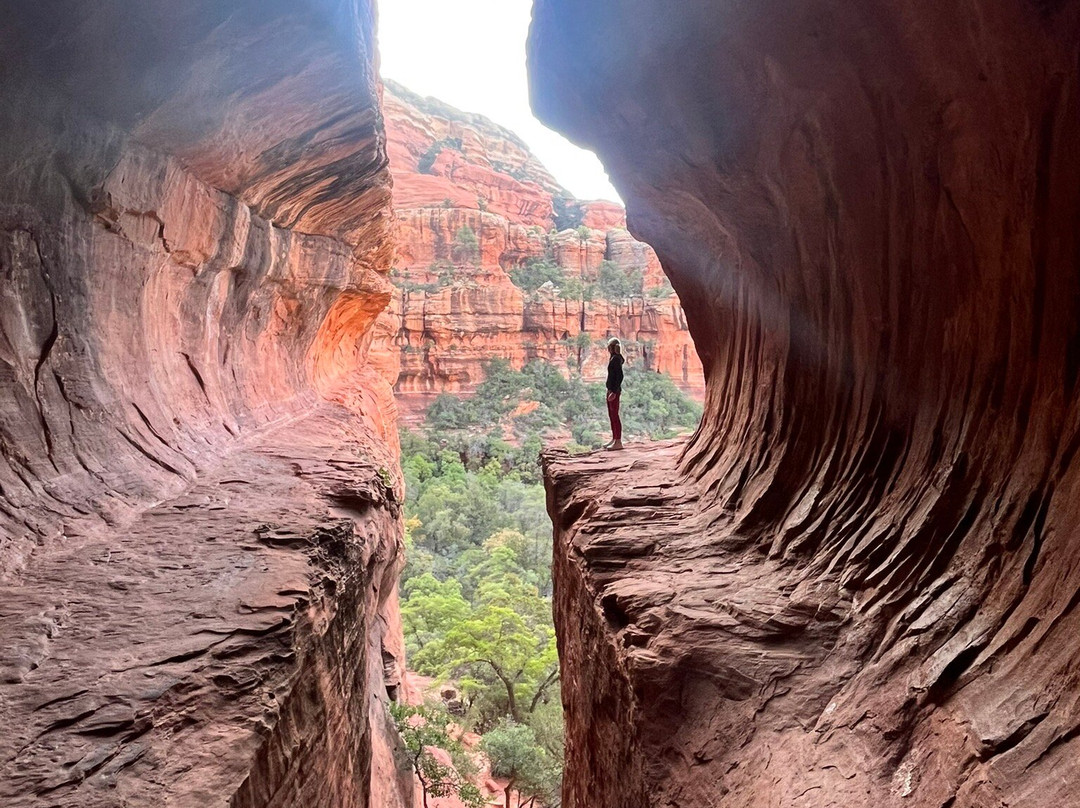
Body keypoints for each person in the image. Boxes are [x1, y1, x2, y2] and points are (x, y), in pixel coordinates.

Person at [604, 337, 624, 450]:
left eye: (609, 346)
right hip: (611, 390)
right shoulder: (615, 358)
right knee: (612, 415)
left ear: (612, 347)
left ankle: (618, 441)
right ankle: (614, 438)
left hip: (614, 391)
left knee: (615, 415)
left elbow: (620, 376)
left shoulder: (616, 359)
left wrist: (614, 392)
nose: (607, 348)